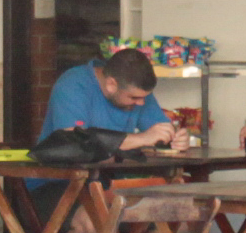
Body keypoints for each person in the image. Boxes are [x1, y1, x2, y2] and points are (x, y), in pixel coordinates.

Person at [40, 46, 190, 155]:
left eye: (144, 97)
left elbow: (160, 132)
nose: (141, 103)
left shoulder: (136, 91)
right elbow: (75, 142)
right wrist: (142, 138)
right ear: (111, 84)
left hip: (114, 179)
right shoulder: (73, 85)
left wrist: (175, 139)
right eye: (134, 98)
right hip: (58, 182)